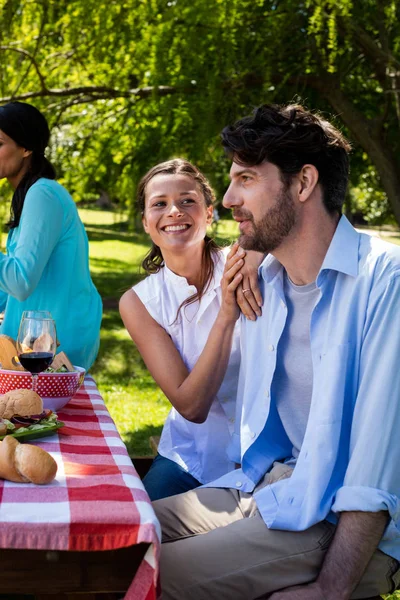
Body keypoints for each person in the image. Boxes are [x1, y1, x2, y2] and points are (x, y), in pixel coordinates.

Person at [153, 104, 400, 600]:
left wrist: (329, 591)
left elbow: (374, 469)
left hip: (336, 516)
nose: (226, 200)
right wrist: (254, 249)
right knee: (113, 532)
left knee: (148, 575)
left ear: (304, 182)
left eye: (245, 178)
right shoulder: (265, 277)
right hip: (269, 486)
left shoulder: (384, 282)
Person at [119, 159, 263, 501]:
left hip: (261, 459)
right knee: (140, 533)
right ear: (146, 223)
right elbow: (191, 406)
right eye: (159, 204)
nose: (174, 211)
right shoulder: (139, 303)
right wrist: (227, 316)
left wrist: (257, 250)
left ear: (209, 213)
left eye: (187, 201)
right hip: (190, 459)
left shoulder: (249, 265)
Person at [0, 101, 102, 370]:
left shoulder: (42, 194)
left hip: (51, 347)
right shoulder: (31, 195)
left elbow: (21, 280)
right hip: (33, 341)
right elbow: (14, 287)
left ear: (25, 148)